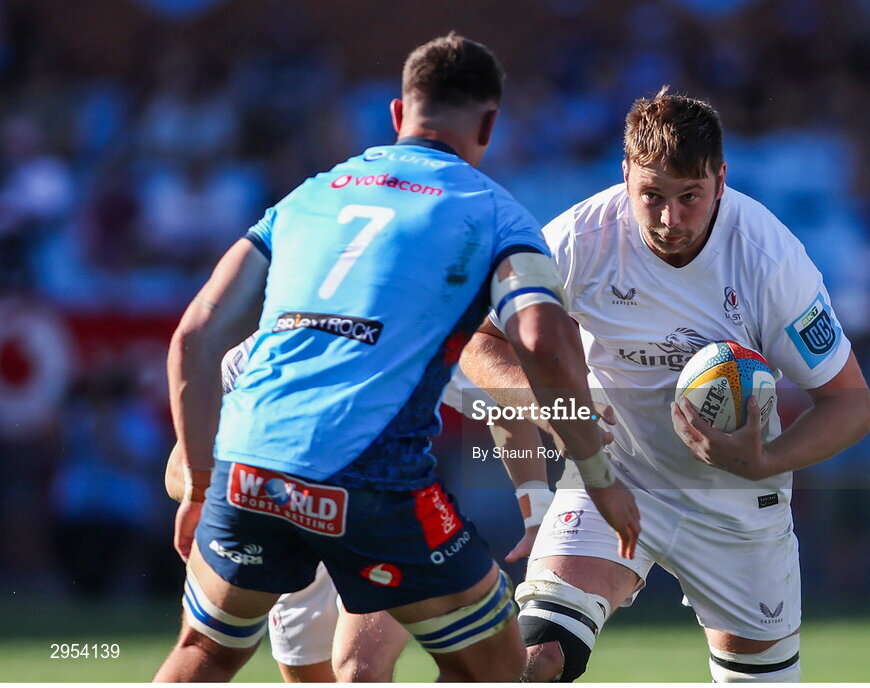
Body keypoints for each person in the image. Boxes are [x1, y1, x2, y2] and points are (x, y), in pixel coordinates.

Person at [153, 33, 638, 683]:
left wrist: (204, 486)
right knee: (490, 663)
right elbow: (543, 342)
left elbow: (192, 336)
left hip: (250, 466)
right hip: (372, 477)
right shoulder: (492, 216)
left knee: (206, 654)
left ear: (395, 114)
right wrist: (598, 477)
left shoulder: (306, 198)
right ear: (490, 124)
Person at [460, 87, 870, 683]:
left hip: (735, 500)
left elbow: (851, 406)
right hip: (615, 474)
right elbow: (480, 339)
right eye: (651, 195)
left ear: (721, 179)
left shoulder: (769, 260)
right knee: (537, 658)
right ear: (624, 173)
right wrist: (546, 407)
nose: (668, 219)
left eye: (690, 197)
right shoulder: (579, 239)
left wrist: (765, 460)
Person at [164, 337, 561, 682]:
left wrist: (536, 508)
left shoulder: (416, 330)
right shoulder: (257, 354)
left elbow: (500, 402)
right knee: (275, 668)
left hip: (378, 520)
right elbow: (177, 472)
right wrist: (253, 494)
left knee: (361, 670)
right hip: (290, 537)